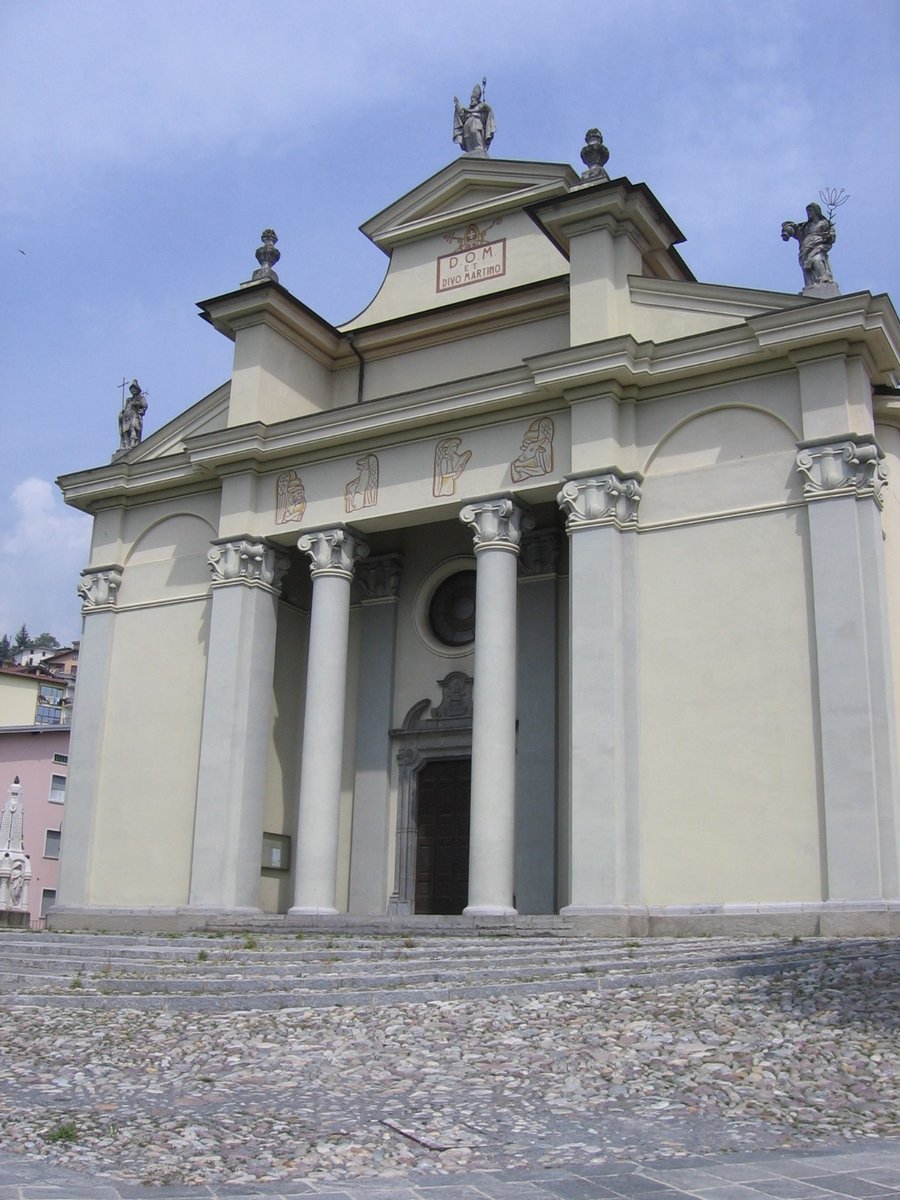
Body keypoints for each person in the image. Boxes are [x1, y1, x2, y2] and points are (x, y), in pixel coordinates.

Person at [781, 203, 836, 288]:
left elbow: (831, 234)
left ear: (816, 211)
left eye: (811, 210)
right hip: (805, 247)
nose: (809, 213)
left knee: (817, 259)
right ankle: (811, 284)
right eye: (807, 211)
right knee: (807, 266)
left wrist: (829, 236)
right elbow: (794, 229)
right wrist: (787, 232)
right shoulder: (805, 226)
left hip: (818, 245)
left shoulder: (824, 223)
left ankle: (824, 279)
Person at [453, 84, 495, 155]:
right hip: (467, 127)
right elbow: (462, 115)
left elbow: (488, 111)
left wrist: (486, 107)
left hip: (476, 124)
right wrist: (457, 105)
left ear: (478, 98)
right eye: (472, 98)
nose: (473, 99)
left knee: (477, 141)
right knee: (468, 141)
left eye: (474, 98)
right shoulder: (467, 110)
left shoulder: (481, 107)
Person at [119, 379, 148, 450]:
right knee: (125, 430)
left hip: (135, 415)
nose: (133, 390)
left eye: (134, 389)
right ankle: (126, 443)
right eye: (131, 389)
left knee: (133, 427)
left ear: (137, 389)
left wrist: (137, 404)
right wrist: (123, 411)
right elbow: (125, 408)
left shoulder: (140, 398)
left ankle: (133, 441)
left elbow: (145, 405)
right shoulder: (128, 399)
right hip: (127, 417)